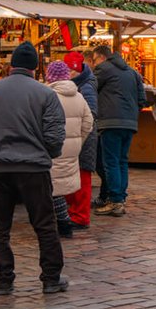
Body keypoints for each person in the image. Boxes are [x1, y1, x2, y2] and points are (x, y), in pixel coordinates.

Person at [0, 42, 67, 295]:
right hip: (33, 168)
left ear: (12, 65)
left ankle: (3, 280)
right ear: (35, 68)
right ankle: (51, 277)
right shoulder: (46, 94)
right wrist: (47, 155)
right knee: (44, 225)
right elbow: (55, 135)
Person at [88, 43, 147, 218]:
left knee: (111, 162)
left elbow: (91, 89)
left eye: (94, 60)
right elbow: (142, 99)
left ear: (101, 57)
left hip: (110, 122)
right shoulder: (132, 72)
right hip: (129, 123)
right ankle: (120, 198)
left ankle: (115, 201)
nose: (94, 64)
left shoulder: (103, 69)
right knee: (121, 161)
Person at [45, 61, 93, 235]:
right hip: (72, 148)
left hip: (51, 146)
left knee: (51, 183)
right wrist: (78, 141)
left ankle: (60, 221)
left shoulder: (46, 95)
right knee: (62, 181)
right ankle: (64, 219)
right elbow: (89, 122)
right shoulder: (78, 96)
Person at [64, 51, 98, 229]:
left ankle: (80, 215)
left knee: (82, 177)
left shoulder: (86, 86)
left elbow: (91, 114)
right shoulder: (81, 83)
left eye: (71, 71)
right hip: (76, 137)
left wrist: (79, 132)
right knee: (74, 176)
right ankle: (74, 212)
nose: (68, 75)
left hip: (84, 139)